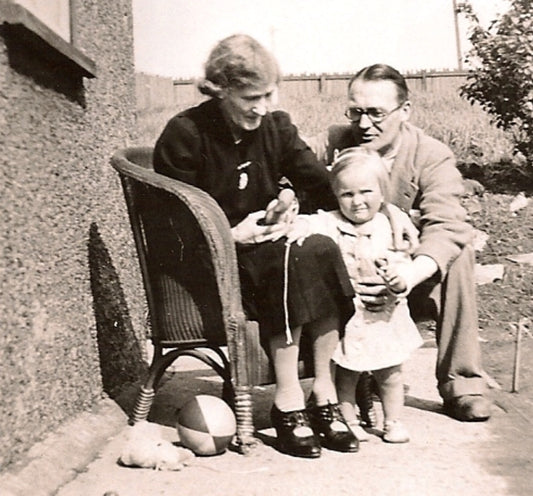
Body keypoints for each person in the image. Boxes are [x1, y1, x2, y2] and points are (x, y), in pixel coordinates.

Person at [153, 34, 359, 458]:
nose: (261, 107)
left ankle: (322, 391)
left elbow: (320, 186)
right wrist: (227, 235)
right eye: (250, 97)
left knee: (318, 246)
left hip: (271, 251)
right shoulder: (186, 135)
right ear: (219, 89)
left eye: (268, 94)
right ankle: (288, 400)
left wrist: (293, 201)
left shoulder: (275, 127)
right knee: (295, 257)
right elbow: (166, 228)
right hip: (211, 265)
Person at [310, 63, 491, 422]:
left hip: (406, 278)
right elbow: (285, 163)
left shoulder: (430, 155)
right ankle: (322, 383)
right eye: (355, 112)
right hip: (341, 278)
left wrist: (407, 275)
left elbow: (448, 226)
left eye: (376, 113)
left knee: (459, 256)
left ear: (404, 111)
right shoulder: (332, 143)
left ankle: (462, 383)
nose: (363, 124)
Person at [287, 148, 422, 443]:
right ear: (335, 194)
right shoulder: (332, 222)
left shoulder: (389, 226)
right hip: (351, 317)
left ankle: (393, 421)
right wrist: (298, 225)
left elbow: (404, 262)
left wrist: (398, 280)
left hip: (385, 315)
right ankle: (348, 420)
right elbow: (311, 222)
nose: (357, 201)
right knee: (346, 373)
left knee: (391, 373)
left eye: (366, 192)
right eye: (347, 194)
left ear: (382, 192)